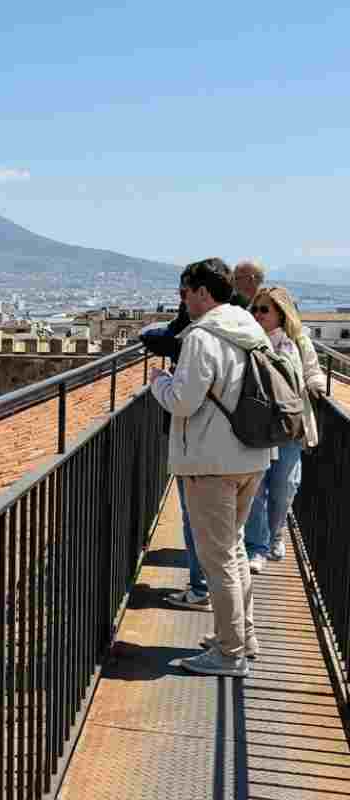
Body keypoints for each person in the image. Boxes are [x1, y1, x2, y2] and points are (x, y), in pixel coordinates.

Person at [149, 257, 272, 677]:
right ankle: (241, 635)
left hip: (211, 461)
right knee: (233, 549)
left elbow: (184, 401)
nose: (183, 301)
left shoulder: (202, 336)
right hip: (252, 454)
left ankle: (229, 652)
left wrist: (159, 383)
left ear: (203, 292)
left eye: (185, 293)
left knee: (217, 557)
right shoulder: (250, 328)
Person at [242, 286, 325, 572]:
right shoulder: (249, 340)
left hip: (290, 426)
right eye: (255, 309)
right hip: (258, 426)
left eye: (264, 309)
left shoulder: (298, 342)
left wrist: (316, 384)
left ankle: (276, 533)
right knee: (255, 491)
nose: (258, 314)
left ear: (281, 312)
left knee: (284, 487)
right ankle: (257, 546)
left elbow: (312, 370)